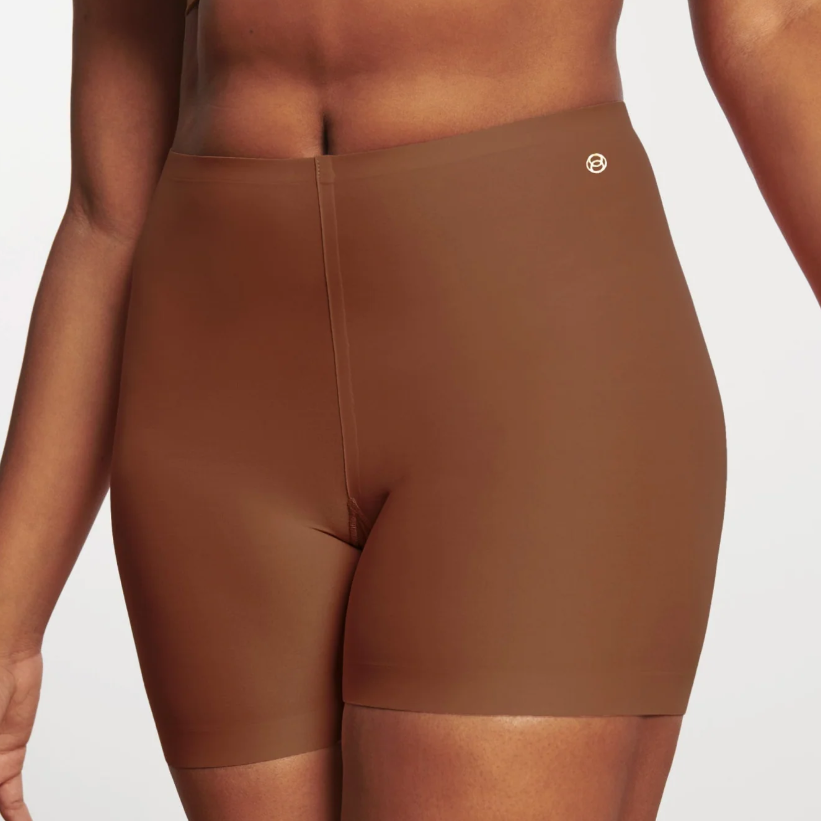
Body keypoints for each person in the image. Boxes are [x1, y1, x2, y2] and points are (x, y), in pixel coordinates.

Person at [0, 0, 818, 819]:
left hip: (531, 365)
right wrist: (8, 612)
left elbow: (772, 23)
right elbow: (109, 215)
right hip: (208, 415)